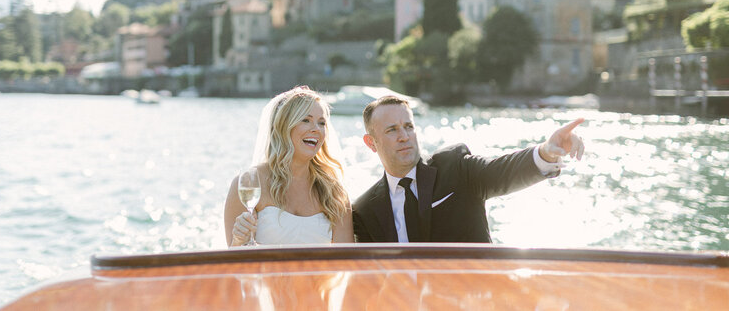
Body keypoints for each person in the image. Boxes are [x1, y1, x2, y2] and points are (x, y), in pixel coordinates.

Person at [352, 95, 585, 243]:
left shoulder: (456, 167)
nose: (404, 136)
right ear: (371, 143)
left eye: (408, 126)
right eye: (392, 130)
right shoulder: (364, 209)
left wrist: (546, 152)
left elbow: (501, 171)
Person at [224, 86, 354, 245]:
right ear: (284, 126)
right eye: (306, 120)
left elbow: (346, 261)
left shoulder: (334, 192)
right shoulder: (249, 184)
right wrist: (238, 240)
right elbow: (234, 263)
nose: (316, 129)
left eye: (321, 123)